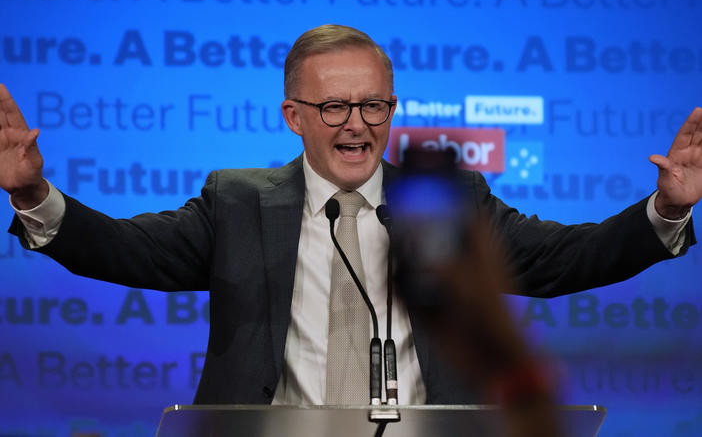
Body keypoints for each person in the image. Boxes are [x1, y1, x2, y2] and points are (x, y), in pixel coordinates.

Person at [0, 25, 699, 406]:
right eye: (334, 107)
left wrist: (665, 208)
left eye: (374, 105)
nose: (357, 125)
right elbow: (126, 251)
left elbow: (558, 261)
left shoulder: (441, 201)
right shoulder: (239, 201)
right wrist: (34, 194)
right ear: (295, 117)